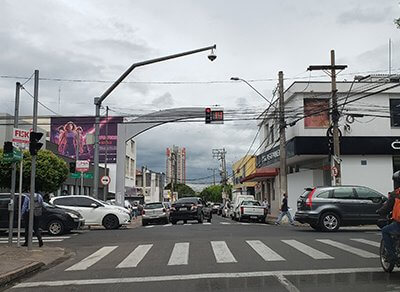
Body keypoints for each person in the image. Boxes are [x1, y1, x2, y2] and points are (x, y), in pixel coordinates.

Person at [378, 171, 400, 264]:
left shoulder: (396, 194)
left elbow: (386, 208)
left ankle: (392, 256)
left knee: (385, 231)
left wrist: (379, 211)